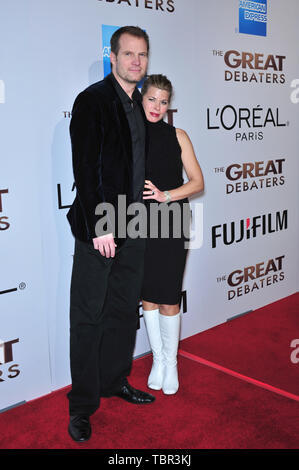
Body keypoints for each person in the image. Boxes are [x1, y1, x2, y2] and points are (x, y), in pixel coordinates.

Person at [66, 26, 155, 443]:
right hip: (100, 229)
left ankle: (115, 379)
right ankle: (82, 406)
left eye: (142, 55)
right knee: (88, 317)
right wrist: (102, 225)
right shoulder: (92, 101)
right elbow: (86, 170)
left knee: (122, 311)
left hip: (135, 223)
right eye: (128, 54)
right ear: (113, 57)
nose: (136, 62)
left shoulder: (139, 104)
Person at [141, 74, 204, 395]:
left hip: (172, 221)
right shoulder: (129, 136)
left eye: (163, 102)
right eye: (152, 99)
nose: (157, 106)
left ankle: (172, 362)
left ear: (169, 106)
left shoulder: (178, 135)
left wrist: (166, 195)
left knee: (168, 296)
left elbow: (197, 182)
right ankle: (158, 360)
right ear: (141, 97)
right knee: (147, 296)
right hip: (136, 221)